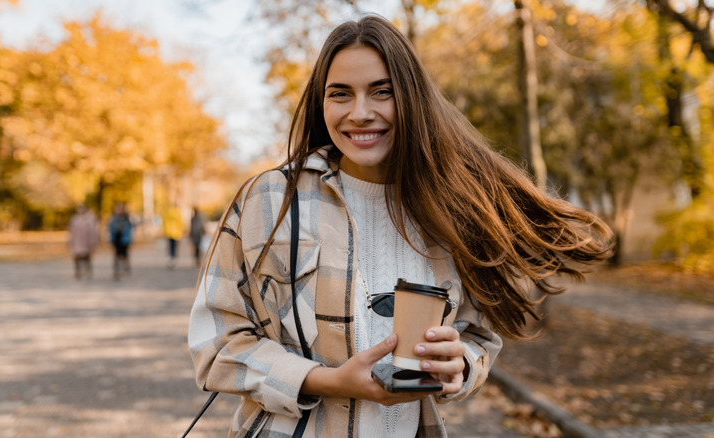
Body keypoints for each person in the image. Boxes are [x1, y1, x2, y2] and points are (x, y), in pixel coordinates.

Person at [188, 15, 613, 437]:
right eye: (340, 94)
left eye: (381, 92)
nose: (360, 113)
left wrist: (458, 364)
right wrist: (327, 380)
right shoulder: (269, 200)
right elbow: (217, 344)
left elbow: (479, 337)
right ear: (322, 104)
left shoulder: (453, 205)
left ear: (411, 98)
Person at [68, 204, 99, 279]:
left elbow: (93, 232)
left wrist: (93, 242)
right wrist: (70, 241)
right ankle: (78, 272)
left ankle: (88, 271)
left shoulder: (90, 219)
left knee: (87, 257)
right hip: (77, 241)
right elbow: (71, 231)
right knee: (77, 257)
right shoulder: (74, 219)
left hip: (86, 242)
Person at [108, 203, 133, 280]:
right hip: (116, 239)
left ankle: (125, 268)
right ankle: (117, 270)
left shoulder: (126, 219)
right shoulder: (113, 219)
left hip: (124, 239)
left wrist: (129, 239)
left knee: (124, 255)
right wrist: (111, 239)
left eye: (120, 209)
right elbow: (110, 229)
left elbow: (129, 230)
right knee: (116, 255)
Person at [162, 203, 184, 269]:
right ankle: (173, 259)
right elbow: (180, 222)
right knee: (175, 247)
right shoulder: (178, 212)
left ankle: (170, 259)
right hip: (176, 232)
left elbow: (164, 222)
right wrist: (181, 232)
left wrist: (165, 231)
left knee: (170, 246)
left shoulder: (167, 212)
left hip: (169, 232)